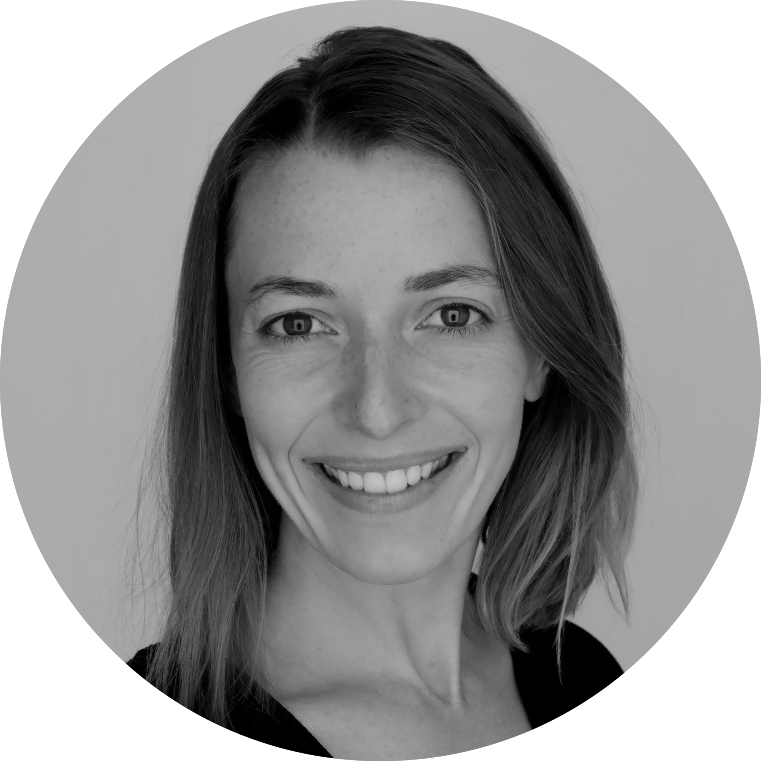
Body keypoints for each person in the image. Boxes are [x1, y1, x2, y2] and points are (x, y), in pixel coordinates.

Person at [126, 25, 639, 758]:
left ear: (540, 351)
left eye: (451, 316)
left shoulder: (586, 684)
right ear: (226, 369)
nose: (376, 409)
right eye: (299, 323)